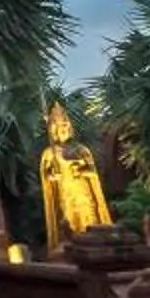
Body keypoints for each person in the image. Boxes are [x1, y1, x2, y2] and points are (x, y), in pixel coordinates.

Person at [37, 101, 112, 254]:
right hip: (66, 193)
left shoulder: (81, 149)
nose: (64, 130)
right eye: (60, 127)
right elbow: (47, 176)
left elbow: (92, 172)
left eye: (66, 126)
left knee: (89, 217)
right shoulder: (50, 153)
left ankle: (95, 242)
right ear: (54, 130)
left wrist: (81, 169)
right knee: (70, 219)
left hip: (83, 192)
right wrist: (53, 175)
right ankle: (73, 244)